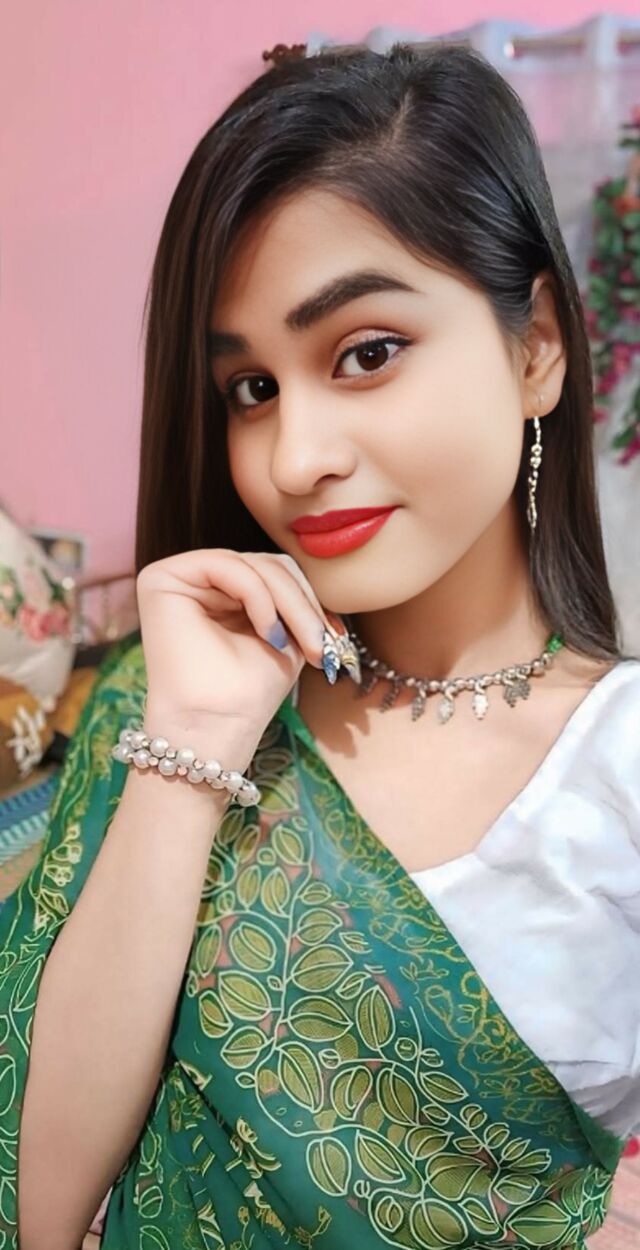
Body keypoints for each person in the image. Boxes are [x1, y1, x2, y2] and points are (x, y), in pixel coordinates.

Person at [2, 41, 639, 1250]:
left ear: (537, 348)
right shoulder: (175, 698)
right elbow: (43, 1203)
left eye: (365, 352)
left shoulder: (619, 765)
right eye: (251, 388)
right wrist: (193, 741)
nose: (293, 459)